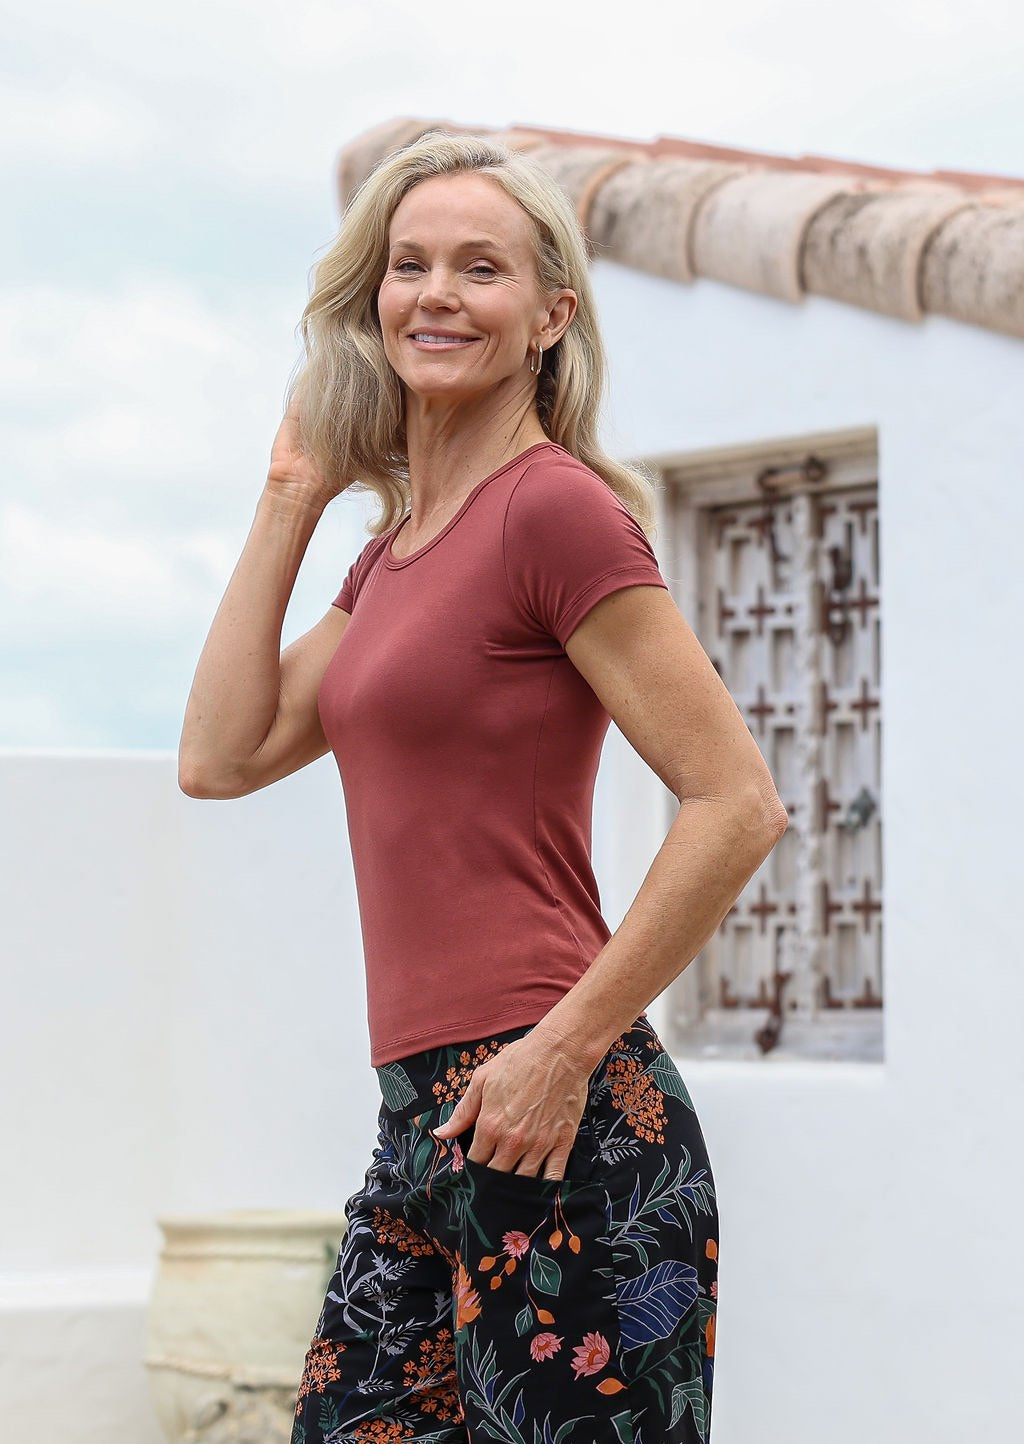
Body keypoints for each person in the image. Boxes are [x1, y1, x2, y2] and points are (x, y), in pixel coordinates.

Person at [178, 129, 788, 1444]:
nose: (437, 293)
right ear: (373, 297)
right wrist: (292, 495)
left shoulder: (554, 515)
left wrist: (560, 1052)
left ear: (550, 315)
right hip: (421, 1122)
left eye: (481, 268)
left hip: (564, 1113)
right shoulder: (393, 556)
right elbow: (219, 758)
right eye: (408, 265)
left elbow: (739, 803)